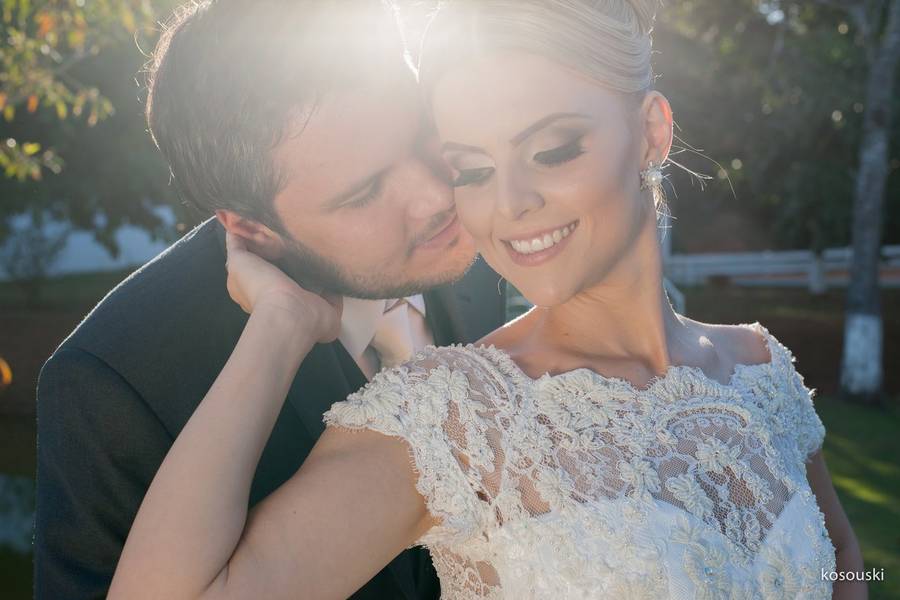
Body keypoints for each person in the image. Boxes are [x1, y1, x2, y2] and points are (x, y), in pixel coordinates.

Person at [109, 1, 866, 598]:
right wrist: (279, 325)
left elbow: (843, 566)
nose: (512, 202)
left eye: (553, 148)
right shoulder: (451, 418)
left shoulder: (763, 370)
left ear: (649, 133)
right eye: (470, 168)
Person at [33, 2, 507, 599]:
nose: (438, 195)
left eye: (419, 135)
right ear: (252, 230)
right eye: (364, 192)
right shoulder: (114, 383)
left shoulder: (500, 220)